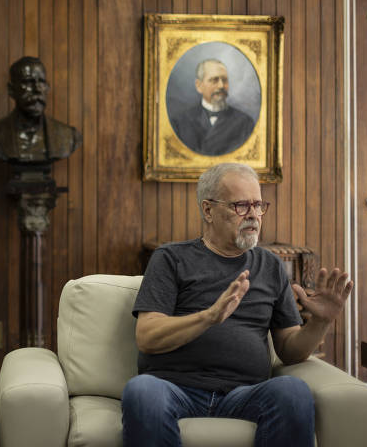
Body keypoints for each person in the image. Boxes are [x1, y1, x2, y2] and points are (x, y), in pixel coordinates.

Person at [121, 162, 353, 446]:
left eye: (258, 205)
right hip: (174, 387)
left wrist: (320, 322)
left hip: (245, 393)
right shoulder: (171, 259)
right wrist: (208, 317)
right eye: (241, 206)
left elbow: (290, 350)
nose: (254, 215)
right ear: (208, 210)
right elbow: (147, 337)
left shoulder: (270, 266)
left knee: (292, 390)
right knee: (141, 391)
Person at [0, 56, 81, 164]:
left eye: (42, 82)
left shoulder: (69, 137)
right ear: (11, 90)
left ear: (47, 87)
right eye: (28, 82)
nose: (37, 89)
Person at [169, 59, 256, 156]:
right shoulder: (180, 122)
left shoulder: (245, 123)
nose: (221, 85)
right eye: (214, 80)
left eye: (224, 80)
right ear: (199, 85)